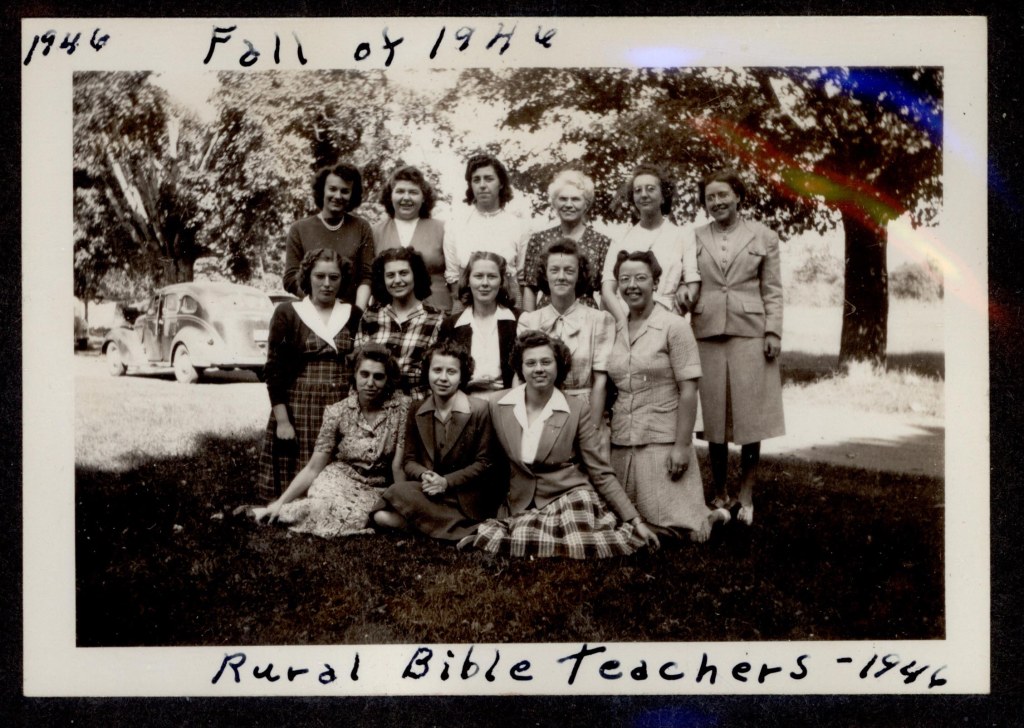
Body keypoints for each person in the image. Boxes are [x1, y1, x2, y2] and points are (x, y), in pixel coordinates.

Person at [458, 331, 661, 559]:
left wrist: (635, 520)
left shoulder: (576, 409)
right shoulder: (498, 404)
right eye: (531, 363)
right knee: (526, 532)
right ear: (520, 368)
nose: (539, 369)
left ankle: (532, 541)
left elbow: (601, 472)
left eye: (546, 362)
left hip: (570, 494)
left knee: (576, 535)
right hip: (523, 501)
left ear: (559, 365)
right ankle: (535, 538)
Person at [607, 251, 729, 542]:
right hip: (623, 442)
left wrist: (682, 446)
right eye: (624, 279)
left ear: (655, 282)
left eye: (640, 278)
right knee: (624, 523)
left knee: (683, 532)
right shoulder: (615, 328)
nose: (632, 285)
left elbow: (689, 390)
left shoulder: (674, 326)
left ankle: (716, 516)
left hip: (661, 441)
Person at [691, 168, 785, 526]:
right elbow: (688, 280)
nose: (717, 202)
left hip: (751, 331)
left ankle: (746, 494)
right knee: (713, 415)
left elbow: (772, 289)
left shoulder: (764, 236)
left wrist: (773, 331)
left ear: (738, 197)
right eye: (710, 197)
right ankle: (719, 492)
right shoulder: (694, 237)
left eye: (723, 195)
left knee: (750, 416)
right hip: (706, 330)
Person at [254, 344, 410, 537]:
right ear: (354, 375)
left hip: (377, 486)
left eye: (378, 377)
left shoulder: (400, 410)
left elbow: (397, 467)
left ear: (387, 380)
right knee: (325, 505)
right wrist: (282, 500)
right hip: (339, 479)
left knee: (354, 516)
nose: (370, 383)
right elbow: (313, 467)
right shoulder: (337, 411)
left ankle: (269, 513)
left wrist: (404, 507)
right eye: (364, 374)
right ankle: (276, 510)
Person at [256, 249, 363, 501]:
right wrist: (283, 421)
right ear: (308, 277)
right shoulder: (289, 312)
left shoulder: (353, 314)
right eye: (320, 276)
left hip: (341, 402)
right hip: (300, 405)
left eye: (334, 277)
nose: (327, 284)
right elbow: (274, 370)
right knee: (299, 472)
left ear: (342, 280)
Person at [372, 340, 501, 540]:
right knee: (386, 507)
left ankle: (448, 527)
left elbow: (484, 463)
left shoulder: (479, 409)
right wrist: (425, 475)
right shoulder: (417, 408)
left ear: (462, 376)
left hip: (465, 495)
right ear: (427, 372)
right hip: (430, 491)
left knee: (387, 517)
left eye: (451, 372)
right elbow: (409, 460)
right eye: (437, 370)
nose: (443, 378)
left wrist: (446, 482)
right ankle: (444, 527)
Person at [517, 238, 614, 434]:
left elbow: (600, 382)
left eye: (569, 271)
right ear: (545, 275)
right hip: (540, 412)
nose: (561, 277)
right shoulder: (530, 321)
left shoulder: (598, 320)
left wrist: (591, 431)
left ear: (579, 275)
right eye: (554, 270)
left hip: (585, 413)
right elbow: (520, 379)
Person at [601, 165, 701, 325]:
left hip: (667, 318)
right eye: (638, 190)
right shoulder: (621, 236)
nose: (643, 195)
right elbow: (608, 289)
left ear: (663, 196)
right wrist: (623, 323)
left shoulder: (682, 235)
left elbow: (692, 284)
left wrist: (671, 320)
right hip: (624, 318)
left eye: (650, 189)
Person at [443, 153, 530, 308]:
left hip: (509, 306)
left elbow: (522, 279)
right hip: (466, 307)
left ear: (501, 183)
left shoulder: (518, 226)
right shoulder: (455, 225)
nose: (482, 185)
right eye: (476, 180)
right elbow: (453, 277)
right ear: (471, 185)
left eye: (489, 179)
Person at [283, 162, 374, 310]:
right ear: (322, 190)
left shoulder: (362, 227)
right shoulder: (299, 229)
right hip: (312, 313)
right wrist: (318, 304)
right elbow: (290, 278)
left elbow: (367, 277)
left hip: (350, 313)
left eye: (345, 191)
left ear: (352, 195)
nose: (338, 196)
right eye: (332, 189)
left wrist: (356, 313)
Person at [356, 247, 443, 399]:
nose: (397, 280)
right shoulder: (371, 316)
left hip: (416, 404)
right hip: (375, 403)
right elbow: (358, 365)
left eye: (403, 273)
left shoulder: (435, 319)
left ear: (415, 275)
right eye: (390, 275)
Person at [521, 169, 612, 311]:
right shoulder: (539, 239)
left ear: (586, 204)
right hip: (546, 315)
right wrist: (529, 323)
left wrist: (601, 321)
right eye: (563, 199)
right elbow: (530, 288)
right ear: (554, 203)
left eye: (575, 199)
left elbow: (606, 291)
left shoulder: (601, 242)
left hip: (586, 316)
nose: (568, 204)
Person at [438, 251, 520, 397]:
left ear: (502, 281)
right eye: (478, 276)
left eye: (492, 276)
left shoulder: (519, 320)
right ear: (468, 281)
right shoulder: (450, 325)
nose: (485, 283)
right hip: (464, 401)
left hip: (508, 399)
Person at [372, 165, 451, 312]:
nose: (406, 197)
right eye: (400, 191)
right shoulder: (375, 232)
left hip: (438, 310)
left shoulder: (443, 229)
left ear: (424, 198)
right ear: (390, 196)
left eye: (413, 192)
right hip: (388, 313)